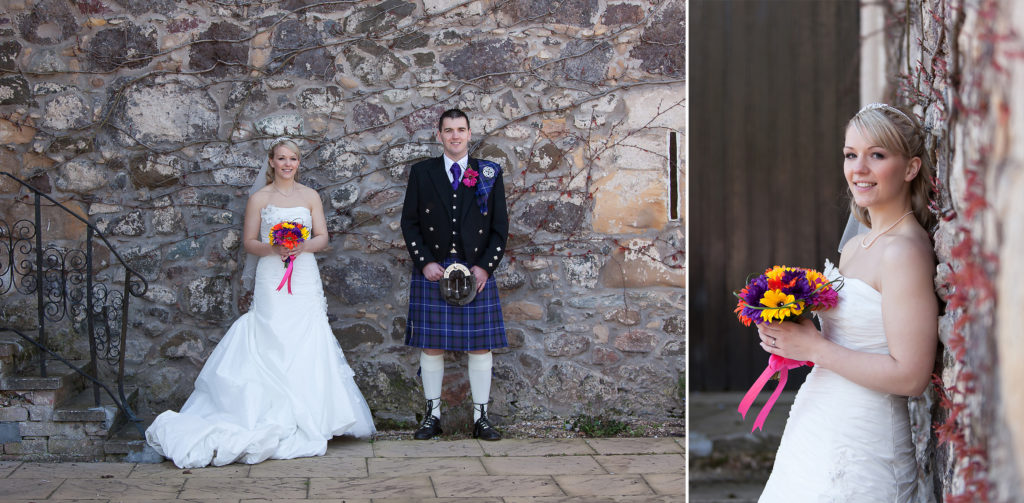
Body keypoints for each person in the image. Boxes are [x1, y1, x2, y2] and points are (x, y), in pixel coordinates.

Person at [146, 139, 376, 468]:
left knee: (308, 334)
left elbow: (323, 237)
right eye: (281, 158)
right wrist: (275, 249)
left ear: (299, 162)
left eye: (293, 159)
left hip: (304, 273)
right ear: (271, 161)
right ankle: (270, 410)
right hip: (272, 274)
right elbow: (250, 242)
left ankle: (313, 415)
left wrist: (301, 247)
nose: (287, 164)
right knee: (271, 332)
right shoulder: (260, 198)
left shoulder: (310, 196)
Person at [756, 103, 939, 501]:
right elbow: (846, 339)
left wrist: (814, 348)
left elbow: (911, 376)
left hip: (863, 442)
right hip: (817, 423)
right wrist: (789, 330)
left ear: (910, 168)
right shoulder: (856, 247)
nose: (859, 169)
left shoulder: (904, 253)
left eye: (877, 155)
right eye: (850, 154)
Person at [400, 108, 509, 441]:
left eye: (461, 129)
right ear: (439, 136)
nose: (455, 135)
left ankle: (482, 418)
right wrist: (425, 263)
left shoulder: (488, 172)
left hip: (474, 268)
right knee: (432, 346)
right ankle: (432, 417)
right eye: (448, 130)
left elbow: (499, 227)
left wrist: (485, 267)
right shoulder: (422, 172)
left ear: (470, 133)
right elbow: (411, 223)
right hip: (435, 268)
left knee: (480, 346)